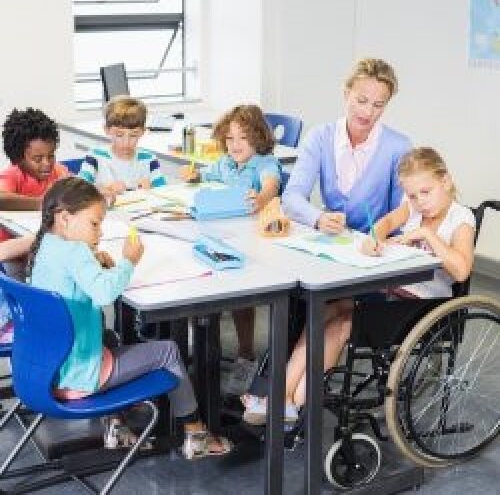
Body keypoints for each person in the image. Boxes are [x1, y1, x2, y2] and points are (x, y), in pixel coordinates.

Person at [242, 147, 475, 424]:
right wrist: (373, 239)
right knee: (324, 310)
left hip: (421, 307)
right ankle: (283, 397)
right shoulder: (413, 208)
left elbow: (461, 271)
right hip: (393, 292)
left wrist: (425, 234)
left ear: (445, 181)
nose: (420, 202)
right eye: (412, 195)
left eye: (426, 192)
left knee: (341, 325)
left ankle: (289, 401)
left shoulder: (460, 219)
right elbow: (387, 221)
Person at [28, 177, 231, 458]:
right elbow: (104, 294)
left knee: (110, 337)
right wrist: (128, 262)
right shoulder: (76, 252)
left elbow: (74, 282)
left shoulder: (47, 246)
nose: (99, 232)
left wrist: (95, 263)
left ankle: (117, 426)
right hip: (79, 378)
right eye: (94, 224)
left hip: (46, 372)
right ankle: (196, 434)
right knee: (168, 351)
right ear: (64, 219)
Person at [180, 104, 282, 395]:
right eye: (230, 138)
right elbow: (207, 177)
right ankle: (201, 354)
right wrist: (195, 178)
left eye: (243, 138)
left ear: (259, 138)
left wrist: (262, 198)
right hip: (219, 235)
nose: (235, 145)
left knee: (241, 298)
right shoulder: (224, 163)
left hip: (251, 243)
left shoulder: (264, 163)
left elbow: (270, 185)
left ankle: (246, 353)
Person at [282, 57, 411, 234]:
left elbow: (404, 212)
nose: (368, 112)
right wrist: (318, 218)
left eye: (378, 105)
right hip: (332, 242)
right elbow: (291, 198)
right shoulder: (319, 138)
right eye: (362, 101)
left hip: (378, 247)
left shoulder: (399, 147)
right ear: (346, 94)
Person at [0, 108, 69, 239]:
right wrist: (42, 203)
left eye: (51, 156)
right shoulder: (13, 174)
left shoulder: (59, 171)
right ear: (18, 157)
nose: (46, 163)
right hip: (12, 248)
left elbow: (74, 191)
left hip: (45, 240)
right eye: (38, 159)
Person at [78, 96, 166, 197]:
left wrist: (152, 189)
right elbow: (79, 189)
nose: (126, 142)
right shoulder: (95, 157)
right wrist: (104, 189)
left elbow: (164, 192)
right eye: (119, 135)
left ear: (142, 132)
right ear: (106, 130)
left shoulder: (149, 159)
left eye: (133, 135)